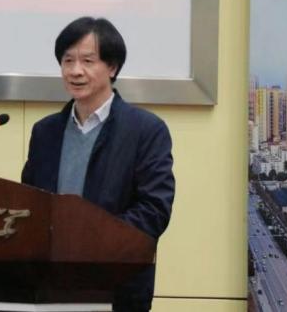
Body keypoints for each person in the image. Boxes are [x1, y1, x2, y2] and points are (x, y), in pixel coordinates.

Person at [21, 16, 175, 312]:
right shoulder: (45, 132)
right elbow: (29, 203)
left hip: (117, 287)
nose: (75, 71)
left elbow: (154, 210)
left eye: (87, 61)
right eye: (68, 61)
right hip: (50, 286)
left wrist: (90, 239)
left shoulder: (145, 131)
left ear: (112, 67)